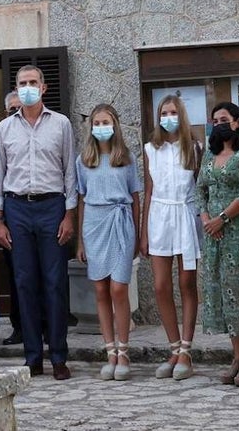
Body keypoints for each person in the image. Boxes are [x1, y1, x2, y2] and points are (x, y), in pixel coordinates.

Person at [0, 64, 77, 380]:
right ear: (17, 88)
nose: (27, 88)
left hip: (52, 206)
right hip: (17, 208)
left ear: (43, 87)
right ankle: (33, 357)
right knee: (24, 283)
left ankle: (58, 356)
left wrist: (69, 214)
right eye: (22, 83)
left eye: (32, 82)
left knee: (55, 283)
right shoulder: (4, 128)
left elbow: (69, 170)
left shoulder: (61, 124)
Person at [196, 101, 239, 387]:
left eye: (224, 119)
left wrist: (222, 219)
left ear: (237, 121)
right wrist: (206, 220)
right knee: (223, 295)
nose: (219, 124)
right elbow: (200, 189)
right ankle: (235, 357)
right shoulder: (209, 154)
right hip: (214, 236)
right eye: (215, 121)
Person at [75, 104, 142, 381]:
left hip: (121, 221)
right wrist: (80, 241)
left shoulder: (127, 158)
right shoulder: (83, 160)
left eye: (106, 122)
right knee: (101, 289)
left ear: (114, 125)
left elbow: (135, 197)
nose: (101, 127)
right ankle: (110, 352)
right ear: (91, 127)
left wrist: (137, 233)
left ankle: (124, 351)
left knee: (118, 288)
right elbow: (81, 198)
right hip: (94, 223)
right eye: (97, 123)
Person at [141, 94, 201, 380]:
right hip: (159, 216)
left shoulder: (195, 148)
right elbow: (148, 190)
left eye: (173, 112)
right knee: (161, 285)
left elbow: (200, 187)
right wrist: (144, 232)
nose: (168, 118)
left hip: (186, 215)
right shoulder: (151, 149)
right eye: (164, 113)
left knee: (187, 282)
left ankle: (186, 350)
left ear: (182, 115)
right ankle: (174, 347)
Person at [0, 92, 25, 346]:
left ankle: (46, 327)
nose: (15, 111)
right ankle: (19, 327)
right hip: (11, 212)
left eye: (18, 107)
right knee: (17, 275)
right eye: (10, 108)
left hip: (40, 209)